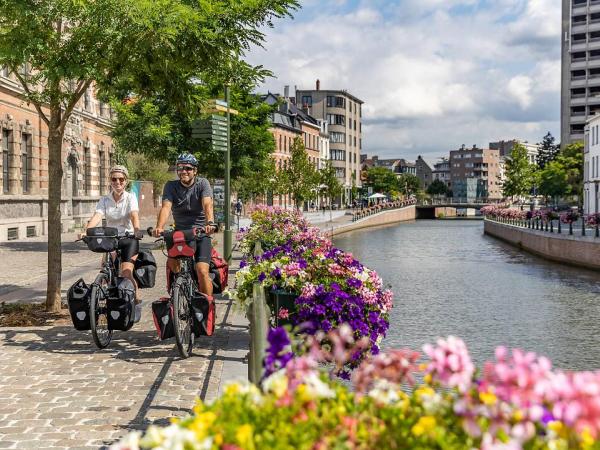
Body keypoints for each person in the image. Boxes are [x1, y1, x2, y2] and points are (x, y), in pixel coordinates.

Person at [79, 165, 142, 322]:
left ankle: (136, 301)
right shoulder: (104, 200)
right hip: (111, 239)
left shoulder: (130, 197)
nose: (117, 182)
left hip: (128, 239)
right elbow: (97, 216)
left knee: (126, 273)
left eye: (121, 179)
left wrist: (137, 229)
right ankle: (109, 297)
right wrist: (87, 231)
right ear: (110, 181)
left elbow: (134, 215)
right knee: (105, 269)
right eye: (114, 179)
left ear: (125, 181)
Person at [154, 153, 216, 296]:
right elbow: (166, 207)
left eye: (188, 168)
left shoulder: (202, 184)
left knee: (201, 270)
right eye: (180, 168)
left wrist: (210, 223)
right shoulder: (171, 186)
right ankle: (178, 292)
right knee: (173, 265)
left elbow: (207, 204)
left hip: (200, 232)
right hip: (180, 234)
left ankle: (207, 305)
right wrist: (159, 227)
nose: (184, 171)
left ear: (195, 171)